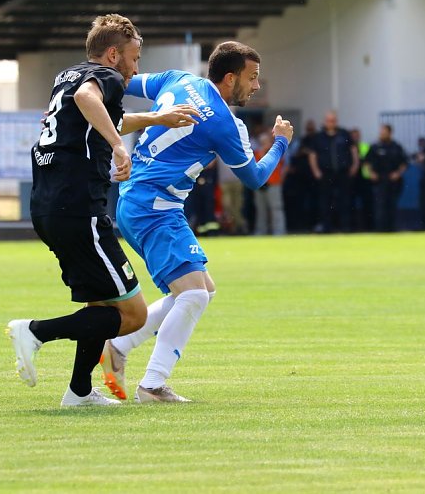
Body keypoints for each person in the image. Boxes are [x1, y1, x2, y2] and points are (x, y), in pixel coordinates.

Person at [5, 14, 199, 408]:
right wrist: (118, 146)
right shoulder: (105, 78)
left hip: (49, 206)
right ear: (114, 54)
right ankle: (36, 331)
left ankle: (78, 392)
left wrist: (157, 118)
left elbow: (102, 113)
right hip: (80, 209)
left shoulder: (70, 74)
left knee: (101, 302)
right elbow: (89, 101)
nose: (135, 67)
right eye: (134, 57)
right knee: (132, 315)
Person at [100, 41, 293, 403]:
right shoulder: (226, 124)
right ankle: (152, 385)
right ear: (230, 77)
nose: (256, 86)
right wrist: (280, 143)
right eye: (252, 78)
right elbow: (254, 178)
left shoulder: (178, 79)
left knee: (202, 288)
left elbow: (126, 81)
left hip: (138, 202)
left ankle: (119, 347)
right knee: (193, 293)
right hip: (154, 208)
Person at [308, 111, 358, 233]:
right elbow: (312, 155)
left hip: (342, 172)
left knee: (345, 200)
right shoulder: (319, 137)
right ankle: (326, 227)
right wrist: (316, 171)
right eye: (329, 120)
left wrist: (355, 165)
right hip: (325, 173)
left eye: (333, 120)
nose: (331, 122)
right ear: (325, 121)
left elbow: (353, 150)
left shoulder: (344, 134)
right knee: (325, 201)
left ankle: (345, 227)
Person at [365, 124, 407, 232]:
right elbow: (366, 163)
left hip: (393, 181)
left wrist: (398, 173)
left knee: (392, 206)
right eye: (381, 131)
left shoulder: (396, 146)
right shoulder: (374, 146)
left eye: (384, 131)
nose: (382, 133)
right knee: (379, 207)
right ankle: (380, 230)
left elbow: (404, 163)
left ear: (390, 133)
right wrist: (371, 173)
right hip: (379, 181)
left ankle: (392, 229)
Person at [253, 132, 286, 235]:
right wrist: (263, 150)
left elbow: (283, 165)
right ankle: (261, 231)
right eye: (262, 142)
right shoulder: (256, 153)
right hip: (260, 184)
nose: (265, 144)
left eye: (266, 141)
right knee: (261, 209)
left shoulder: (276, 152)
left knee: (276, 208)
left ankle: (279, 231)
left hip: (274, 183)